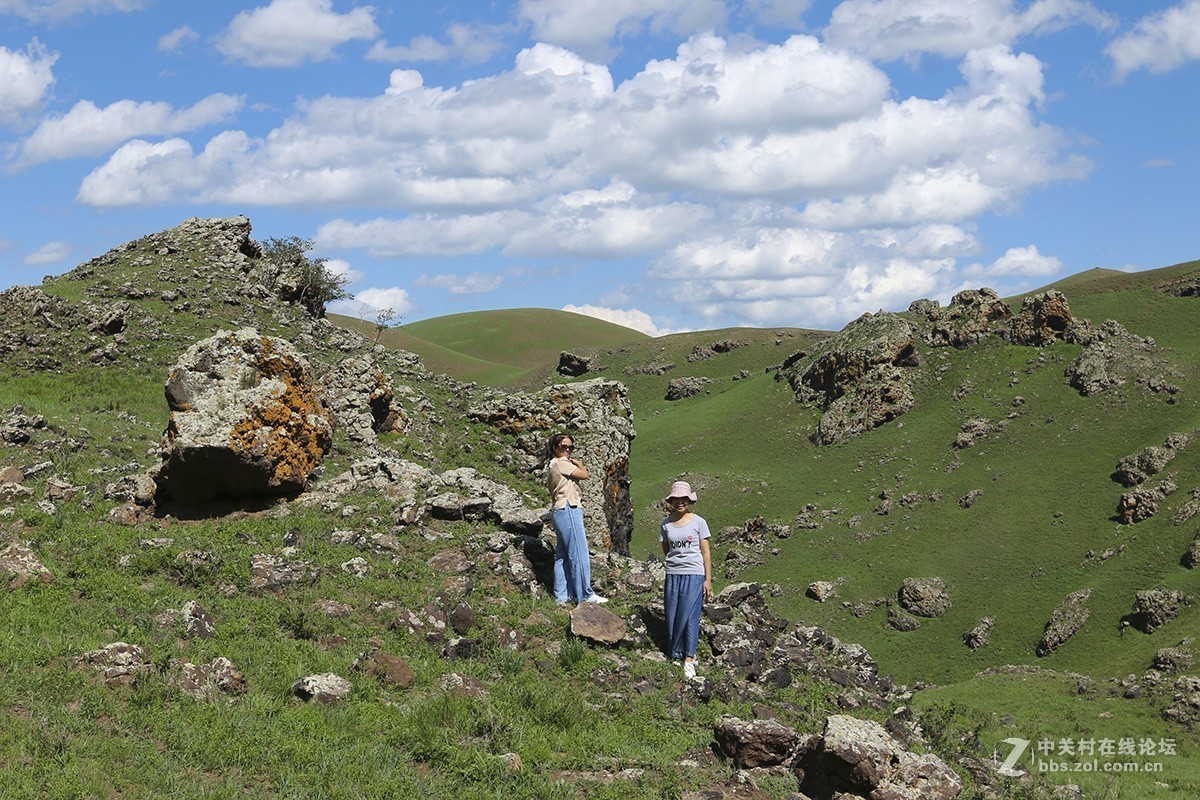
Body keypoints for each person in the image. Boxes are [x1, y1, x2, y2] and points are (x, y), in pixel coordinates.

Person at [541, 433, 608, 606]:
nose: (568, 450)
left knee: (562, 555)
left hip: (559, 510)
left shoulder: (552, 464)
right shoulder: (561, 463)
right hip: (569, 508)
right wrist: (580, 464)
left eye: (571, 447)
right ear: (555, 448)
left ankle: (562, 596)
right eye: (564, 446)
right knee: (579, 552)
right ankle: (585, 594)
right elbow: (584, 475)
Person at [659, 480, 712, 678]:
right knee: (672, 614)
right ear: (671, 501)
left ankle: (689, 658)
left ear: (689, 500)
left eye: (684, 499)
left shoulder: (699, 522)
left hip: (694, 574)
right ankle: (675, 653)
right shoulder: (665, 524)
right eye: (677, 499)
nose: (680, 502)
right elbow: (667, 549)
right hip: (673, 573)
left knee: (690, 615)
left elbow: (706, 552)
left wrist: (708, 580)